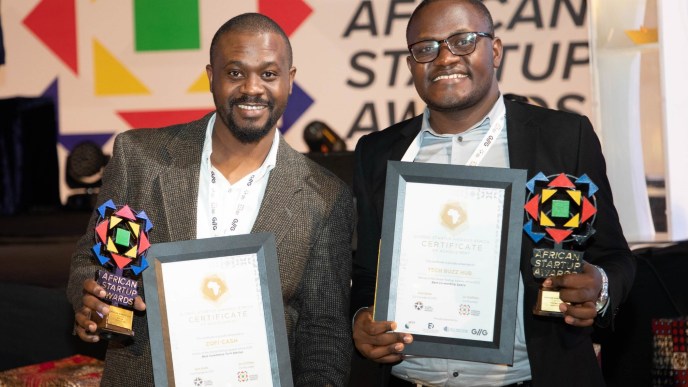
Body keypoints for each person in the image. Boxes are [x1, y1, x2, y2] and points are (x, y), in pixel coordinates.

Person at [350, 1, 635, 386]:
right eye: (426, 48)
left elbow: (614, 257)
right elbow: (367, 272)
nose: (445, 58)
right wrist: (361, 320)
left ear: (495, 50)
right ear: (410, 64)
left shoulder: (563, 139)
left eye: (463, 41)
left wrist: (598, 288)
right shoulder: (378, 153)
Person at [67, 13, 354, 386]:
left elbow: (324, 333)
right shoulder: (140, 158)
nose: (253, 88)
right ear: (211, 76)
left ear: (290, 79)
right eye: (235, 73)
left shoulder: (325, 197)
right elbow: (90, 260)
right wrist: (90, 297)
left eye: (268, 74)